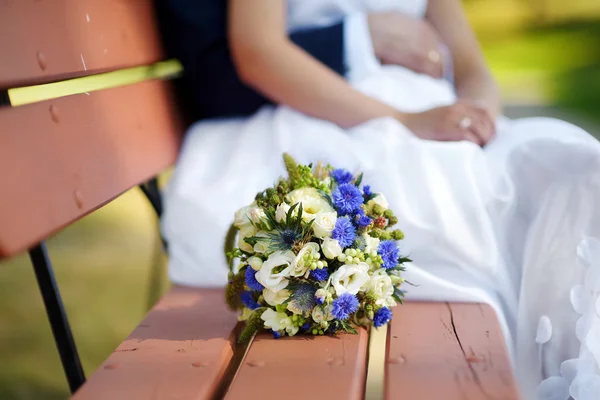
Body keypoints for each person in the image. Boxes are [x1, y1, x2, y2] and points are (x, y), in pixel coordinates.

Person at [161, 0, 600, 398]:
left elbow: (471, 65)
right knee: (454, 211)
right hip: (337, 112)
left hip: (439, 115)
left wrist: (476, 115)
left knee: (574, 173)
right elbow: (258, 51)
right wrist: (406, 121)